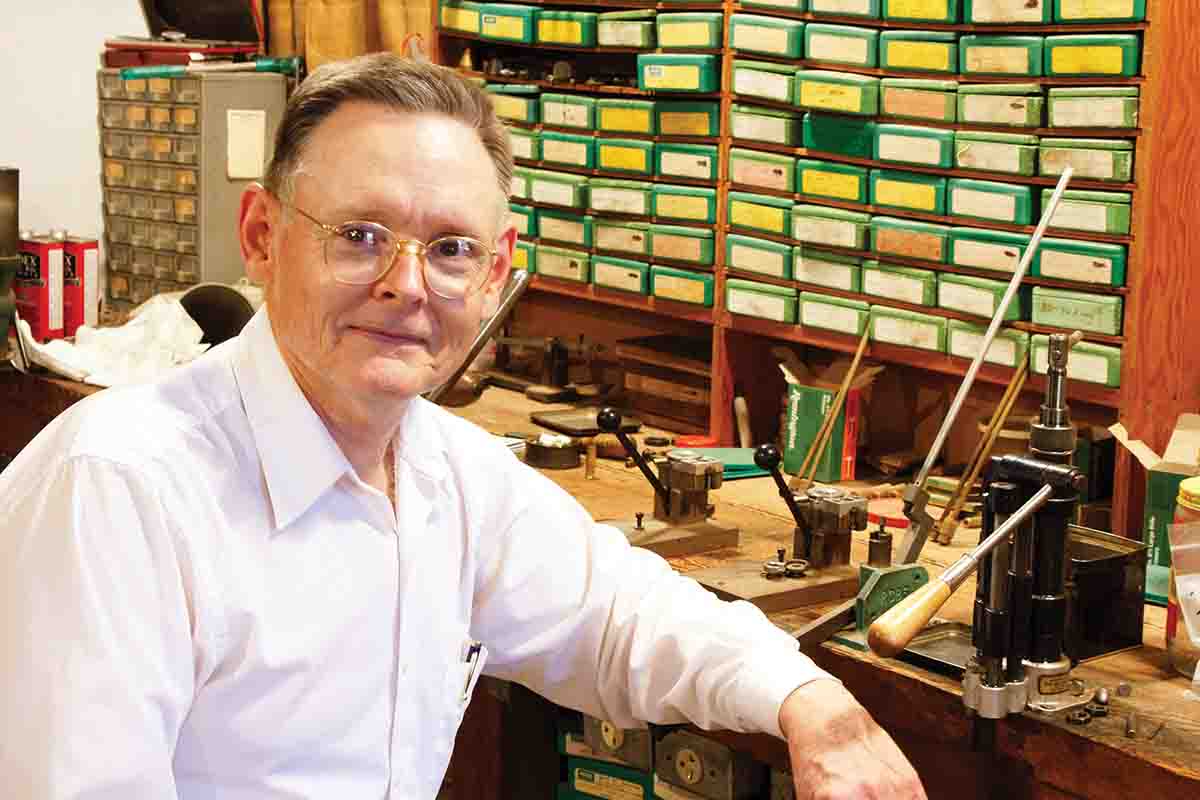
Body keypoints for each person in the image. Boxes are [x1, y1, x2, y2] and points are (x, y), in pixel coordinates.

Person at [0, 54, 924, 799]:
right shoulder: (119, 489)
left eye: (450, 250)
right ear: (261, 234)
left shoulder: (446, 473)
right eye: (359, 235)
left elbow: (620, 618)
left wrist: (812, 702)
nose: (407, 285)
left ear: (496, 274)